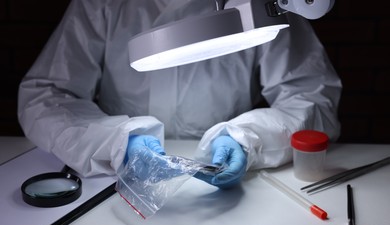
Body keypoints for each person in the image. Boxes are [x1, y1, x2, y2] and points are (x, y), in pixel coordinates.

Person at [17, 0, 342, 189]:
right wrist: (112, 143)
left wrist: (247, 139)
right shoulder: (103, 5)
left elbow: (312, 96)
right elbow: (46, 95)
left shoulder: (258, 7)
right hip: (112, 179)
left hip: (230, 179)